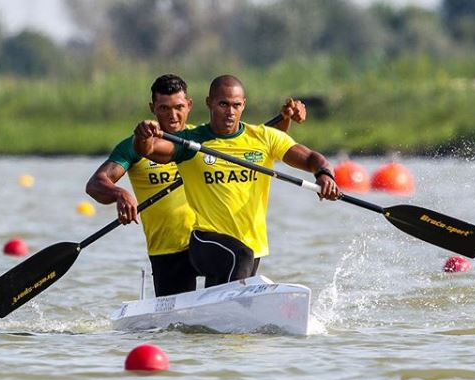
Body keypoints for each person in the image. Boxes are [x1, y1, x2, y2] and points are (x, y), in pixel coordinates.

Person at [86, 74, 307, 296]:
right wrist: (119, 193)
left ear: (189, 105)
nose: (173, 115)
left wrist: (285, 119)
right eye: (164, 108)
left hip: (212, 243)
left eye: (179, 107)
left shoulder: (200, 139)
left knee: (233, 273)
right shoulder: (138, 144)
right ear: (153, 108)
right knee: (176, 328)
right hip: (170, 249)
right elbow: (96, 183)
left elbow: (256, 149)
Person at [133, 74, 340, 288]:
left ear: (243, 105)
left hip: (253, 244)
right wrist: (142, 137)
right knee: (239, 256)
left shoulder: (265, 137)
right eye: (223, 104)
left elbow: (311, 158)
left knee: (229, 279)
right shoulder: (191, 141)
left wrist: (324, 174)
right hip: (206, 241)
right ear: (209, 103)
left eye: (236, 105)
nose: (230, 112)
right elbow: (150, 150)